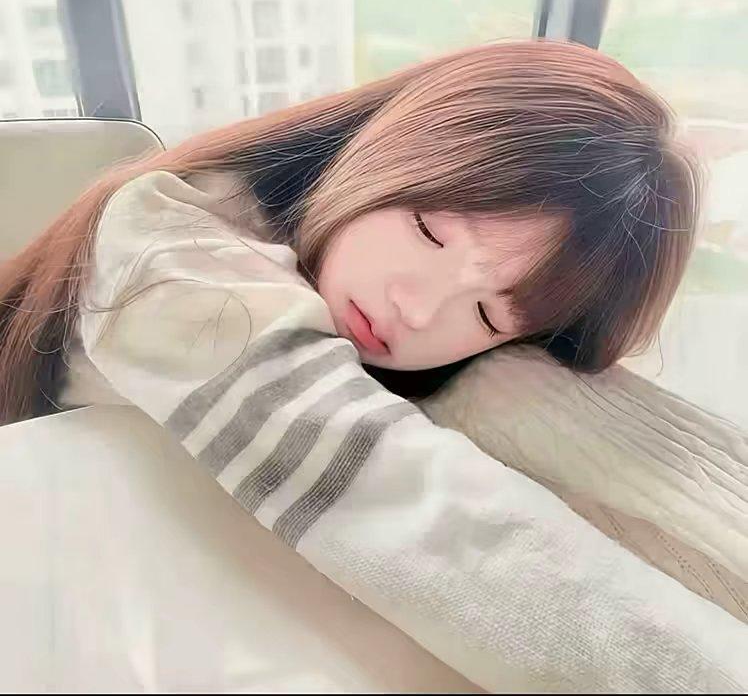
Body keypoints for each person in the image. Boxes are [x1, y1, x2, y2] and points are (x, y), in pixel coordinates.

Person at [4, 40, 741, 692]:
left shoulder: (414, 346)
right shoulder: (171, 245)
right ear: (385, 150)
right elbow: (414, 509)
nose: (418, 310)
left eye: (488, 315)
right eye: (429, 232)